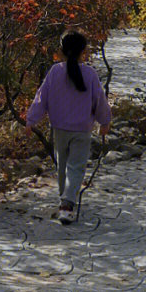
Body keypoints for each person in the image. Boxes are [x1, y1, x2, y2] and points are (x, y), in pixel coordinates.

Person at [26, 30, 111, 223]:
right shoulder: (89, 73)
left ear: (61, 50)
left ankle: (65, 202)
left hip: (60, 129)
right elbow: (99, 100)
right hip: (81, 129)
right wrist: (104, 122)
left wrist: (31, 119)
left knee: (63, 166)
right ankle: (67, 204)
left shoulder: (55, 71)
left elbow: (42, 97)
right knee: (75, 168)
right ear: (84, 51)